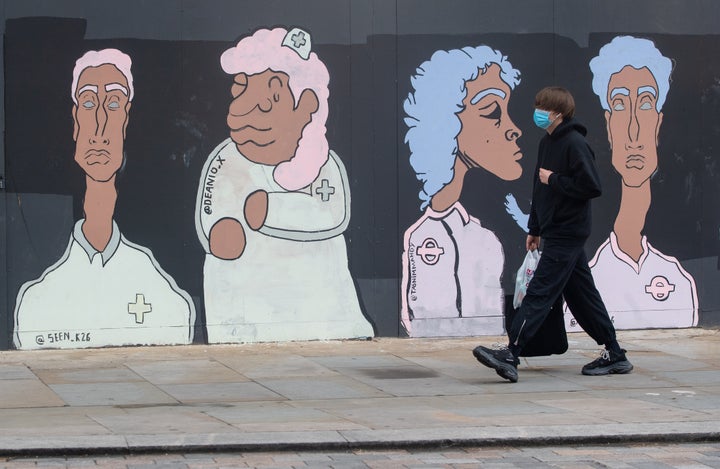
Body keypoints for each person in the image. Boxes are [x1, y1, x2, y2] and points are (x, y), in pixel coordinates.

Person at [195, 27, 373, 343]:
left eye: (272, 98)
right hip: (246, 309)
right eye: (242, 89)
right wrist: (220, 228)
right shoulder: (227, 159)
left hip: (320, 310)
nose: (249, 110)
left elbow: (332, 216)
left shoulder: (322, 164)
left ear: (306, 105)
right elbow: (212, 202)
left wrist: (273, 208)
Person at [14, 49, 196, 349]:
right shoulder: (35, 301)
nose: (99, 126)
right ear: (75, 122)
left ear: (127, 121)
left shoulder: (164, 294)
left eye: (113, 104)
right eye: (88, 103)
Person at [472, 86, 633, 382]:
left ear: (558, 113)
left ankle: (511, 352)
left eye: (543, 107)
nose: (538, 112)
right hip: (554, 230)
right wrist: (534, 229)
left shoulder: (574, 143)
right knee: (583, 296)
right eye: (538, 105)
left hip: (568, 231)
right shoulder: (547, 143)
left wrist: (556, 179)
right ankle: (615, 353)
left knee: (540, 290)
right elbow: (539, 188)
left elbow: (591, 186)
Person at [564, 35, 697, 331]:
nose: (634, 129)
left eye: (646, 103)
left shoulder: (678, 279)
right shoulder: (593, 273)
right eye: (620, 104)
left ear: (659, 124)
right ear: (609, 125)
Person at [401, 45, 524, 337]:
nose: (513, 129)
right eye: (492, 111)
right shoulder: (419, 237)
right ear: (447, 123)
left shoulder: (489, 237)